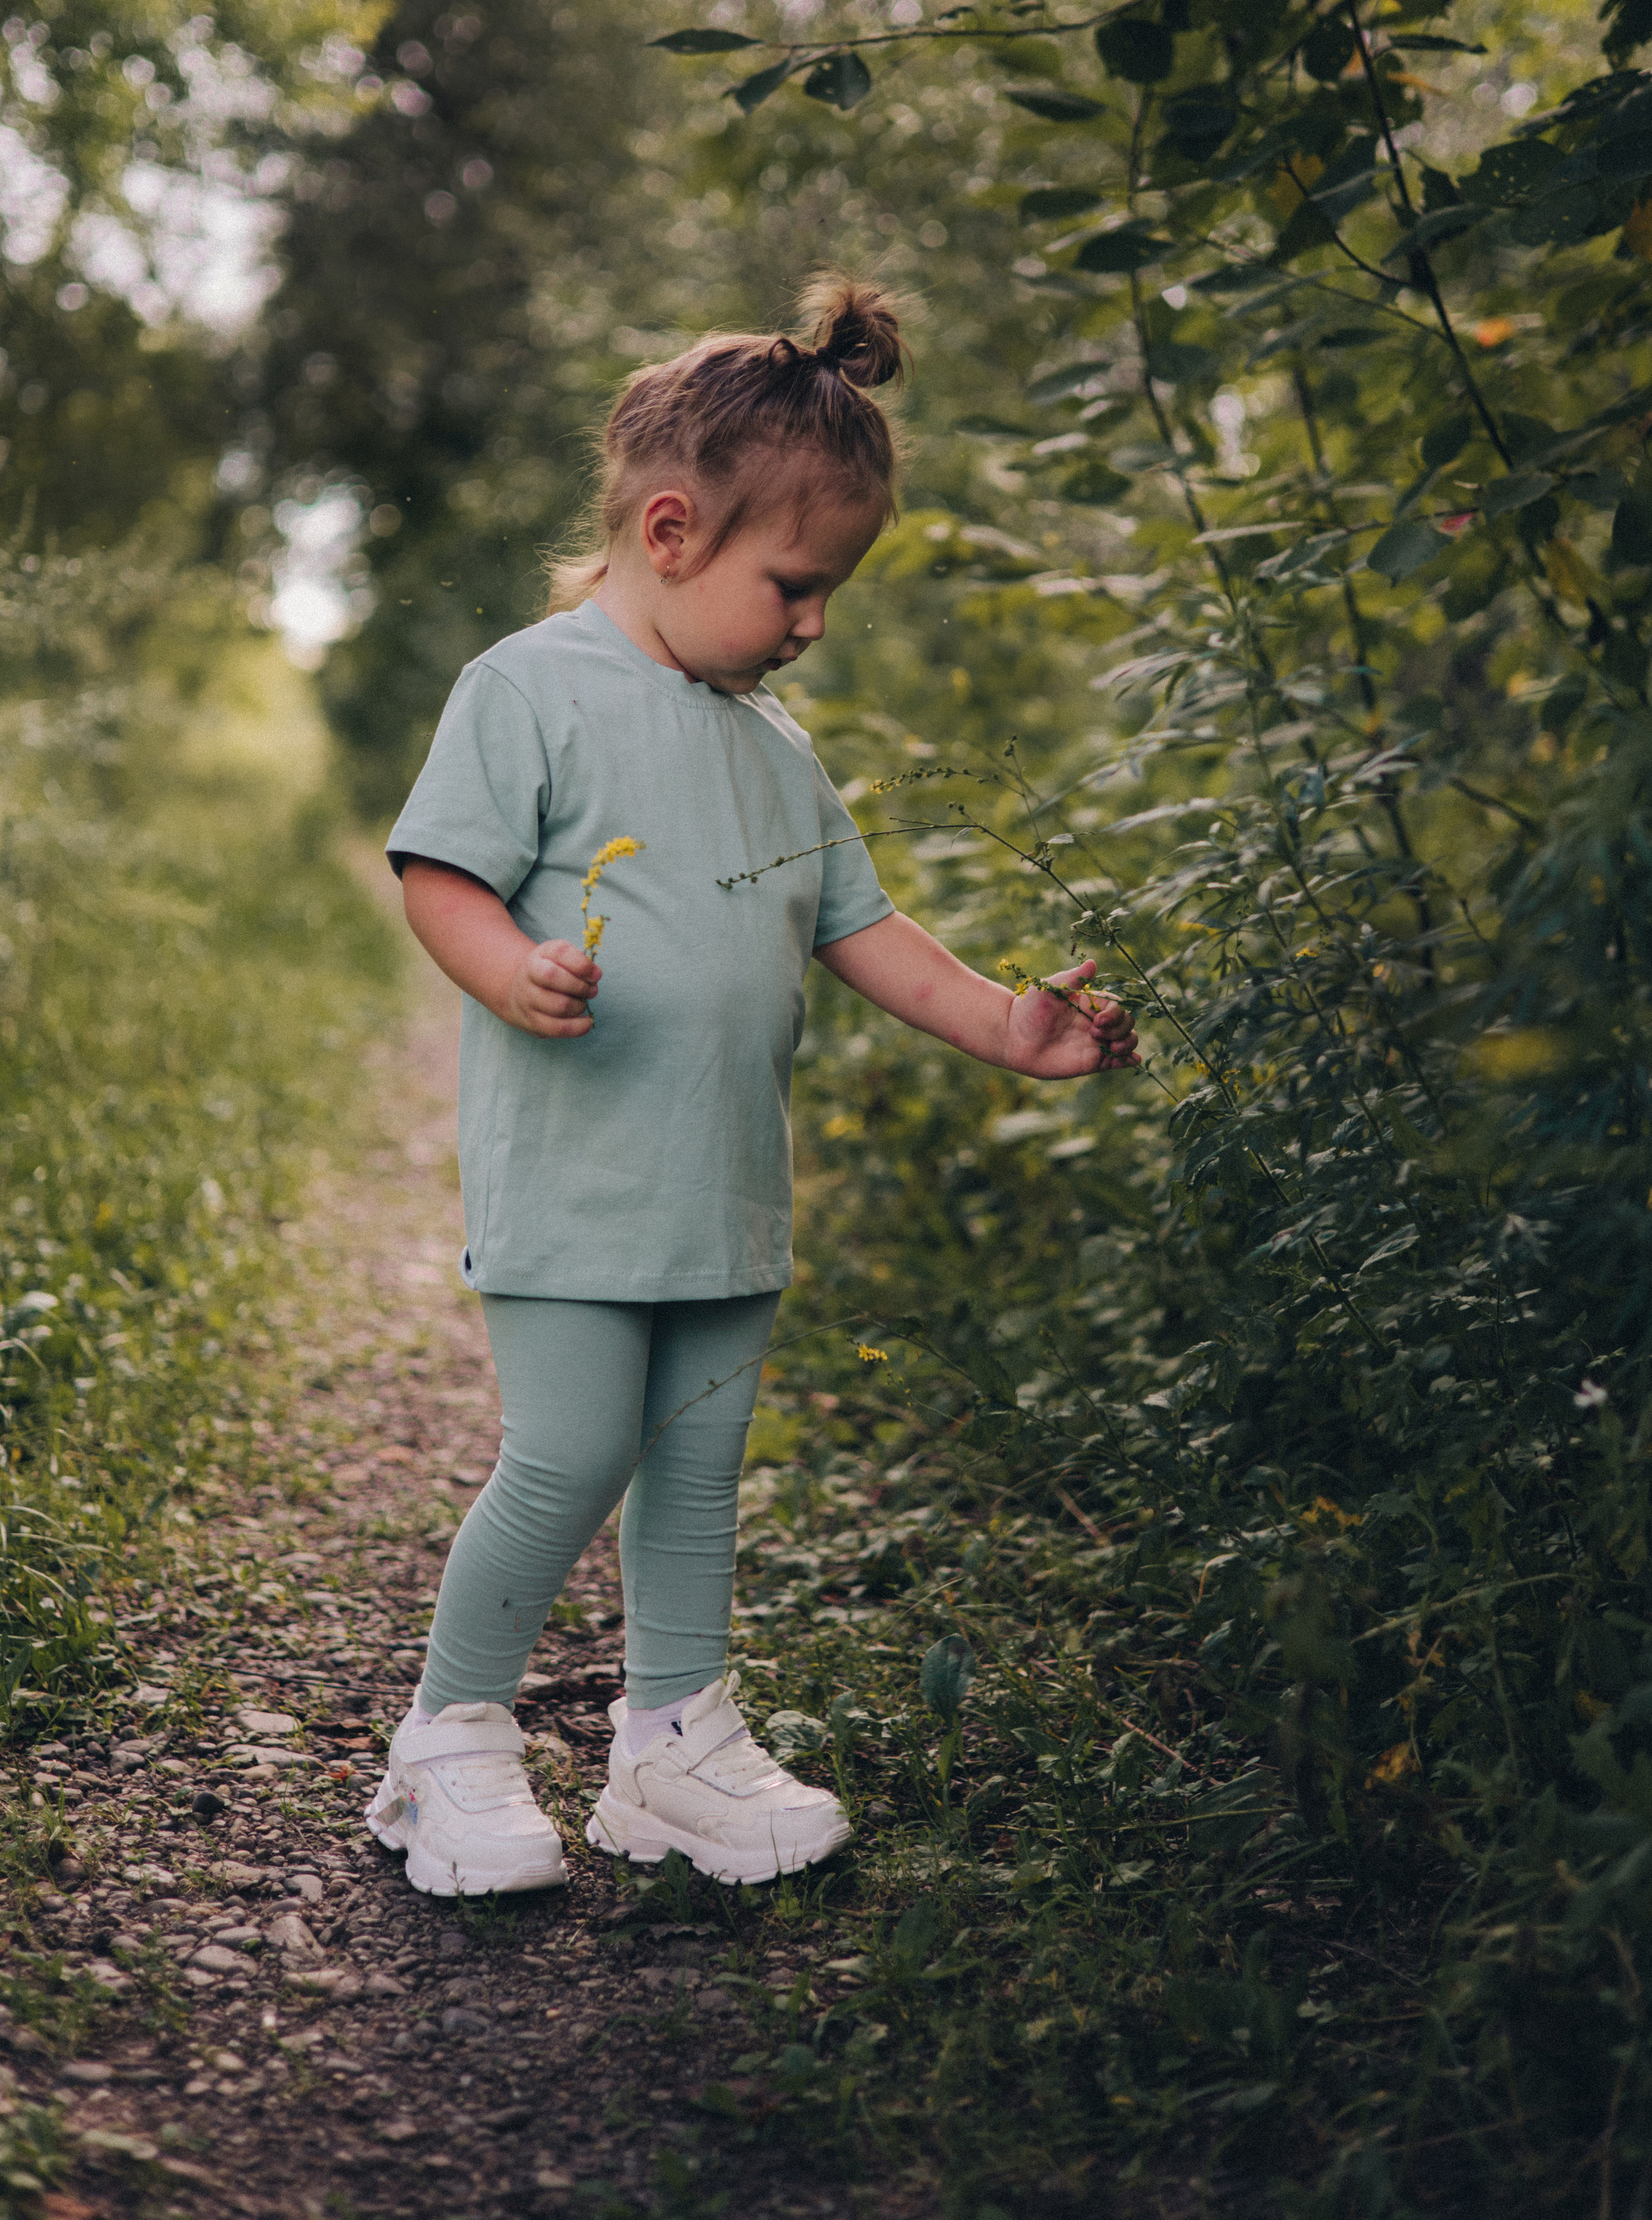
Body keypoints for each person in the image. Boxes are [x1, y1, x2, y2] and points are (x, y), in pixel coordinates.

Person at [365, 276, 1139, 1898]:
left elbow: (862, 926)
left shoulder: (773, 743)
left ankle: (670, 1750)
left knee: (698, 1473)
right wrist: (506, 971)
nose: (810, 623)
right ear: (670, 531)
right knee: (570, 1454)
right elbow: (440, 876)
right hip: (579, 1178)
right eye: (794, 585)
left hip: (723, 1187)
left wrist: (1007, 1027)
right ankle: (448, 1744)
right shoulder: (528, 690)